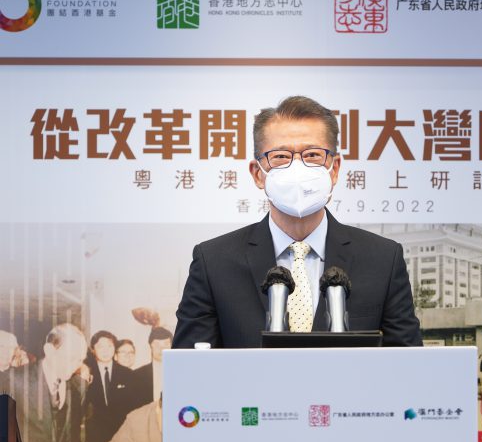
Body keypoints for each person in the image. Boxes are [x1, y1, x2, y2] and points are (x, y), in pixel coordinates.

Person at [173, 95, 422, 348]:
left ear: (334, 169)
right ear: (258, 173)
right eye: (281, 156)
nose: (298, 168)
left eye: (312, 154)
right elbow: (190, 367)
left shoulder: (383, 259)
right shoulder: (213, 263)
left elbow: (409, 363)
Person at [7, 323, 88, 442]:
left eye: (81, 359)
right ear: (49, 351)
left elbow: (72, 435)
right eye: (71, 358)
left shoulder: (80, 387)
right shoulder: (14, 380)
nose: (76, 365)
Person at [85, 330, 136, 442]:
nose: (105, 351)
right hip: (94, 437)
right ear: (93, 349)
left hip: (122, 435)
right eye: (100, 347)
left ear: (114, 348)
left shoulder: (128, 374)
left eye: (109, 346)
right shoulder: (86, 372)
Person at [133, 328, 173, 408]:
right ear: (150, 346)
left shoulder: (181, 372)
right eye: (157, 344)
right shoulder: (138, 375)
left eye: (166, 344)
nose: (162, 349)